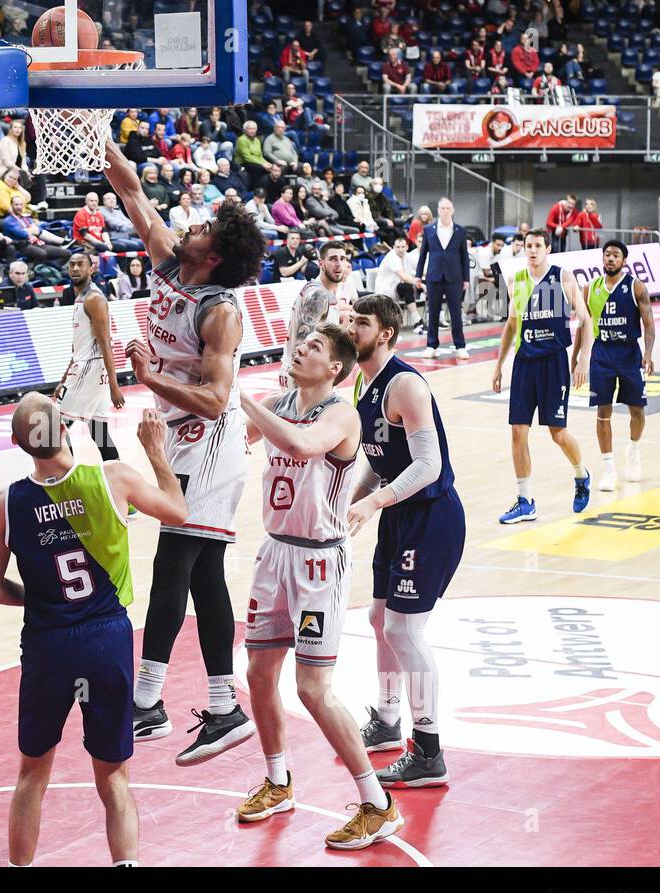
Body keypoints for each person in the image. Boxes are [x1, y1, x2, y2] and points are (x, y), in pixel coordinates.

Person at [102, 135, 269, 764]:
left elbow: (220, 397)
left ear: (215, 253)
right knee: (200, 575)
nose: (191, 223)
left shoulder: (220, 312)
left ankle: (148, 702)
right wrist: (98, 138)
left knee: (174, 565)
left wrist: (151, 380)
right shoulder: (171, 259)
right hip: (182, 435)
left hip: (210, 444)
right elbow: (134, 194)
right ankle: (223, 708)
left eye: (206, 225)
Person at [0, 395, 188, 866]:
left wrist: (42, 600)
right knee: (113, 776)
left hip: (47, 643)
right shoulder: (112, 478)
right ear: (68, 427)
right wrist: (156, 451)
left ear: (17, 443)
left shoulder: (4, 503)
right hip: (105, 638)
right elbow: (178, 511)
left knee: (32, 772)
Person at [236, 320, 404, 847]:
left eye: (312, 347)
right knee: (260, 674)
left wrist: (240, 397)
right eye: (298, 342)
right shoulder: (279, 401)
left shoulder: (341, 414)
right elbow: (236, 435)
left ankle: (378, 804)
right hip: (274, 555)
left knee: (312, 689)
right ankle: (278, 780)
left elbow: (304, 445)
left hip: (317, 566)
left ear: (335, 367)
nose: (298, 350)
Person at [345, 293, 465, 789]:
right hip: (399, 514)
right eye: (350, 319)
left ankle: (428, 751)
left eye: (362, 322)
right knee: (379, 620)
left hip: (431, 516)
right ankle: (388, 720)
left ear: (386, 333)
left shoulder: (406, 384)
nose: (351, 328)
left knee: (404, 631)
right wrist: (353, 496)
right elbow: (380, 450)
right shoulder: (363, 379)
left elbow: (428, 465)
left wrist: (375, 502)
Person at [492, 230, 592, 523]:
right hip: (525, 362)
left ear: (548, 248)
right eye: (528, 246)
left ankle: (581, 475)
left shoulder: (563, 277)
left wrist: (583, 359)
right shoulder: (516, 281)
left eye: (538, 245)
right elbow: (511, 326)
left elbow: (585, 321)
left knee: (557, 434)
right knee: (517, 431)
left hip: (554, 362)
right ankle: (525, 501)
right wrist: (498, 365)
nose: (533, 250)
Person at [584, 240, 654, 492]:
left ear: (624, 260)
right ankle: (609, 469)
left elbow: (648, 323)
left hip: (628, 353)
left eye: (615, 255)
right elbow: (583, 324)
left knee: (637, 410)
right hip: (602, 353)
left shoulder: (636, 287)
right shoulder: (590, 288)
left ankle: (633, 449)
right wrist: (579, 358)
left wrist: (648, 353)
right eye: (606, 255)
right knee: (603, 412)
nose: (610, 259)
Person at [52, 252, 125, 462]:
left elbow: (105, 344)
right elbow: (80, 346)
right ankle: (116, 473)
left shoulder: (94, 299)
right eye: (72, 265)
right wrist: (64, 379)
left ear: (91, 269)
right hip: (87, 368)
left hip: (89, 370)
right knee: (98, 431)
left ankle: (67, 476)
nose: (75, 268)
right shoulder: (81, 298)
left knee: (53, 427)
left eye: (80, 264)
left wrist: (114, 386)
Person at [414, 197, 470, 359]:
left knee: (455, 313)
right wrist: (418, 275)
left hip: (455, 277)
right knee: (433, 312)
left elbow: (464, 257)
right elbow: (423, 254)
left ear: (453, 211)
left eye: (448, 208)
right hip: (434, 277)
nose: (445, 211)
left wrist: (466, 279)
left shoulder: (460, 231)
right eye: (442, 208)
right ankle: (431, 345)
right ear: (438, 211)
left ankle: (460, 346)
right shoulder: (429, 230)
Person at [373, 235, 419, 327]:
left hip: (396, 289)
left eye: (402, 247)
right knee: (407, 286)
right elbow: (403, 276)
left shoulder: (407, 256)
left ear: (407, 247)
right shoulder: (391, 257)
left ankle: (436, 318)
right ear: (394, 247)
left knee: (430, 285)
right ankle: (417, 321)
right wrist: (417, 283)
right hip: (385, 291)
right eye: (398, 247)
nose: (400, 249)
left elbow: (420, 269)